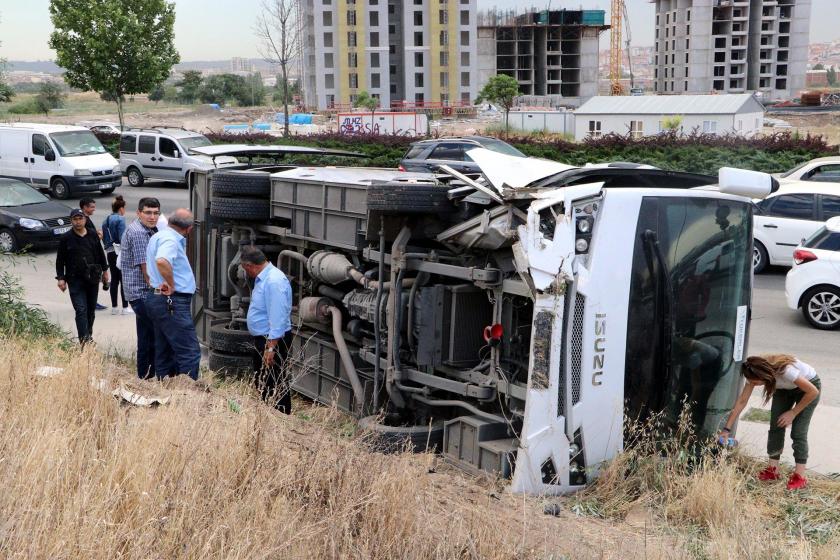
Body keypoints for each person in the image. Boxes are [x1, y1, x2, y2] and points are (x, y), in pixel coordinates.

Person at [721, 355, 821, 490]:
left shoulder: (785, 371)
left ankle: (799, 477)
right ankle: (772, 471)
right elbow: (742, 401)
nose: (754, 385)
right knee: (776, 427)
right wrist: (726, 429)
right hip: (783, 389)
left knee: (798, 432)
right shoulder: (752, 371)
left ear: (763, 375)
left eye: (755, 383)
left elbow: (813, 392)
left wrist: (793, 412)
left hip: (808, 389)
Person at [145, 208, 201, 380]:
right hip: (171, 300)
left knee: (165, 350)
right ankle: (188, 396)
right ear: (189, 229)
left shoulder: (159, 236)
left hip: (159, 297)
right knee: (189, 351)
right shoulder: (170, 240)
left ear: (170, 221)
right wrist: (171, 284)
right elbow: (162, 261)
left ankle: (165, 390)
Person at [121, 197, 171, 379]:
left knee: (146, 337)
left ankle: (145, 377)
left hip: (140, 293)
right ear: (138, 213)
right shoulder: (139, 233)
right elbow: (147, 271)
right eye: (148, 213)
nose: (152, 217)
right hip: (141, 293)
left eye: (156, 213)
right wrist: (164, 291)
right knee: (157, 337)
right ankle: (153, 376)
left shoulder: (148, 229)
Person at [240, 246, 293, 413]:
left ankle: (280, 416)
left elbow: (277, 316)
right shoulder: (266, 278)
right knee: (264, 381)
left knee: (275, 380)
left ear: (249, 266)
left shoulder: (273, 281)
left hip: (272, 340)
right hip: (265, 338)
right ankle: (268, 414)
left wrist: (270, 347)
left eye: (244, 268)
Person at [55, 208, 109, 346]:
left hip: (92, 279)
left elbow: (100, 254)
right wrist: (61, 278)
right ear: (71, 221)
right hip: (75, 280)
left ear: (85, 220)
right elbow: (60, 260)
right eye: (75, 219)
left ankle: (88, 335)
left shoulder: (92, 235)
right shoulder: (66, 238)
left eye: (80, 219)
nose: (78, 222)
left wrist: (105, 271)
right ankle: (84, 341)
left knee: (90, 310)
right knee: (81, 310)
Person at [102, 195, 131, 315]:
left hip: (110, 252)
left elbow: (104, 237)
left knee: (114, 280)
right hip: (119, 252)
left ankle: (114, 308)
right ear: (121, 208)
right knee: (123, 279)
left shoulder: (106, 220)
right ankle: (125, 308)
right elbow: (122, 238)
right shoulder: (120, 219)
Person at [80, 197, 107, 310]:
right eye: (91, 207)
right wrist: (99, 236)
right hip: (90, 255)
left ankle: (92, 301)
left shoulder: (86, 219)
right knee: (92, 279)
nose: (93, 210)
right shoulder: (83, 220)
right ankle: (91, 302)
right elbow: (89, 237)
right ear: (85, 207)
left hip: (91, 253)